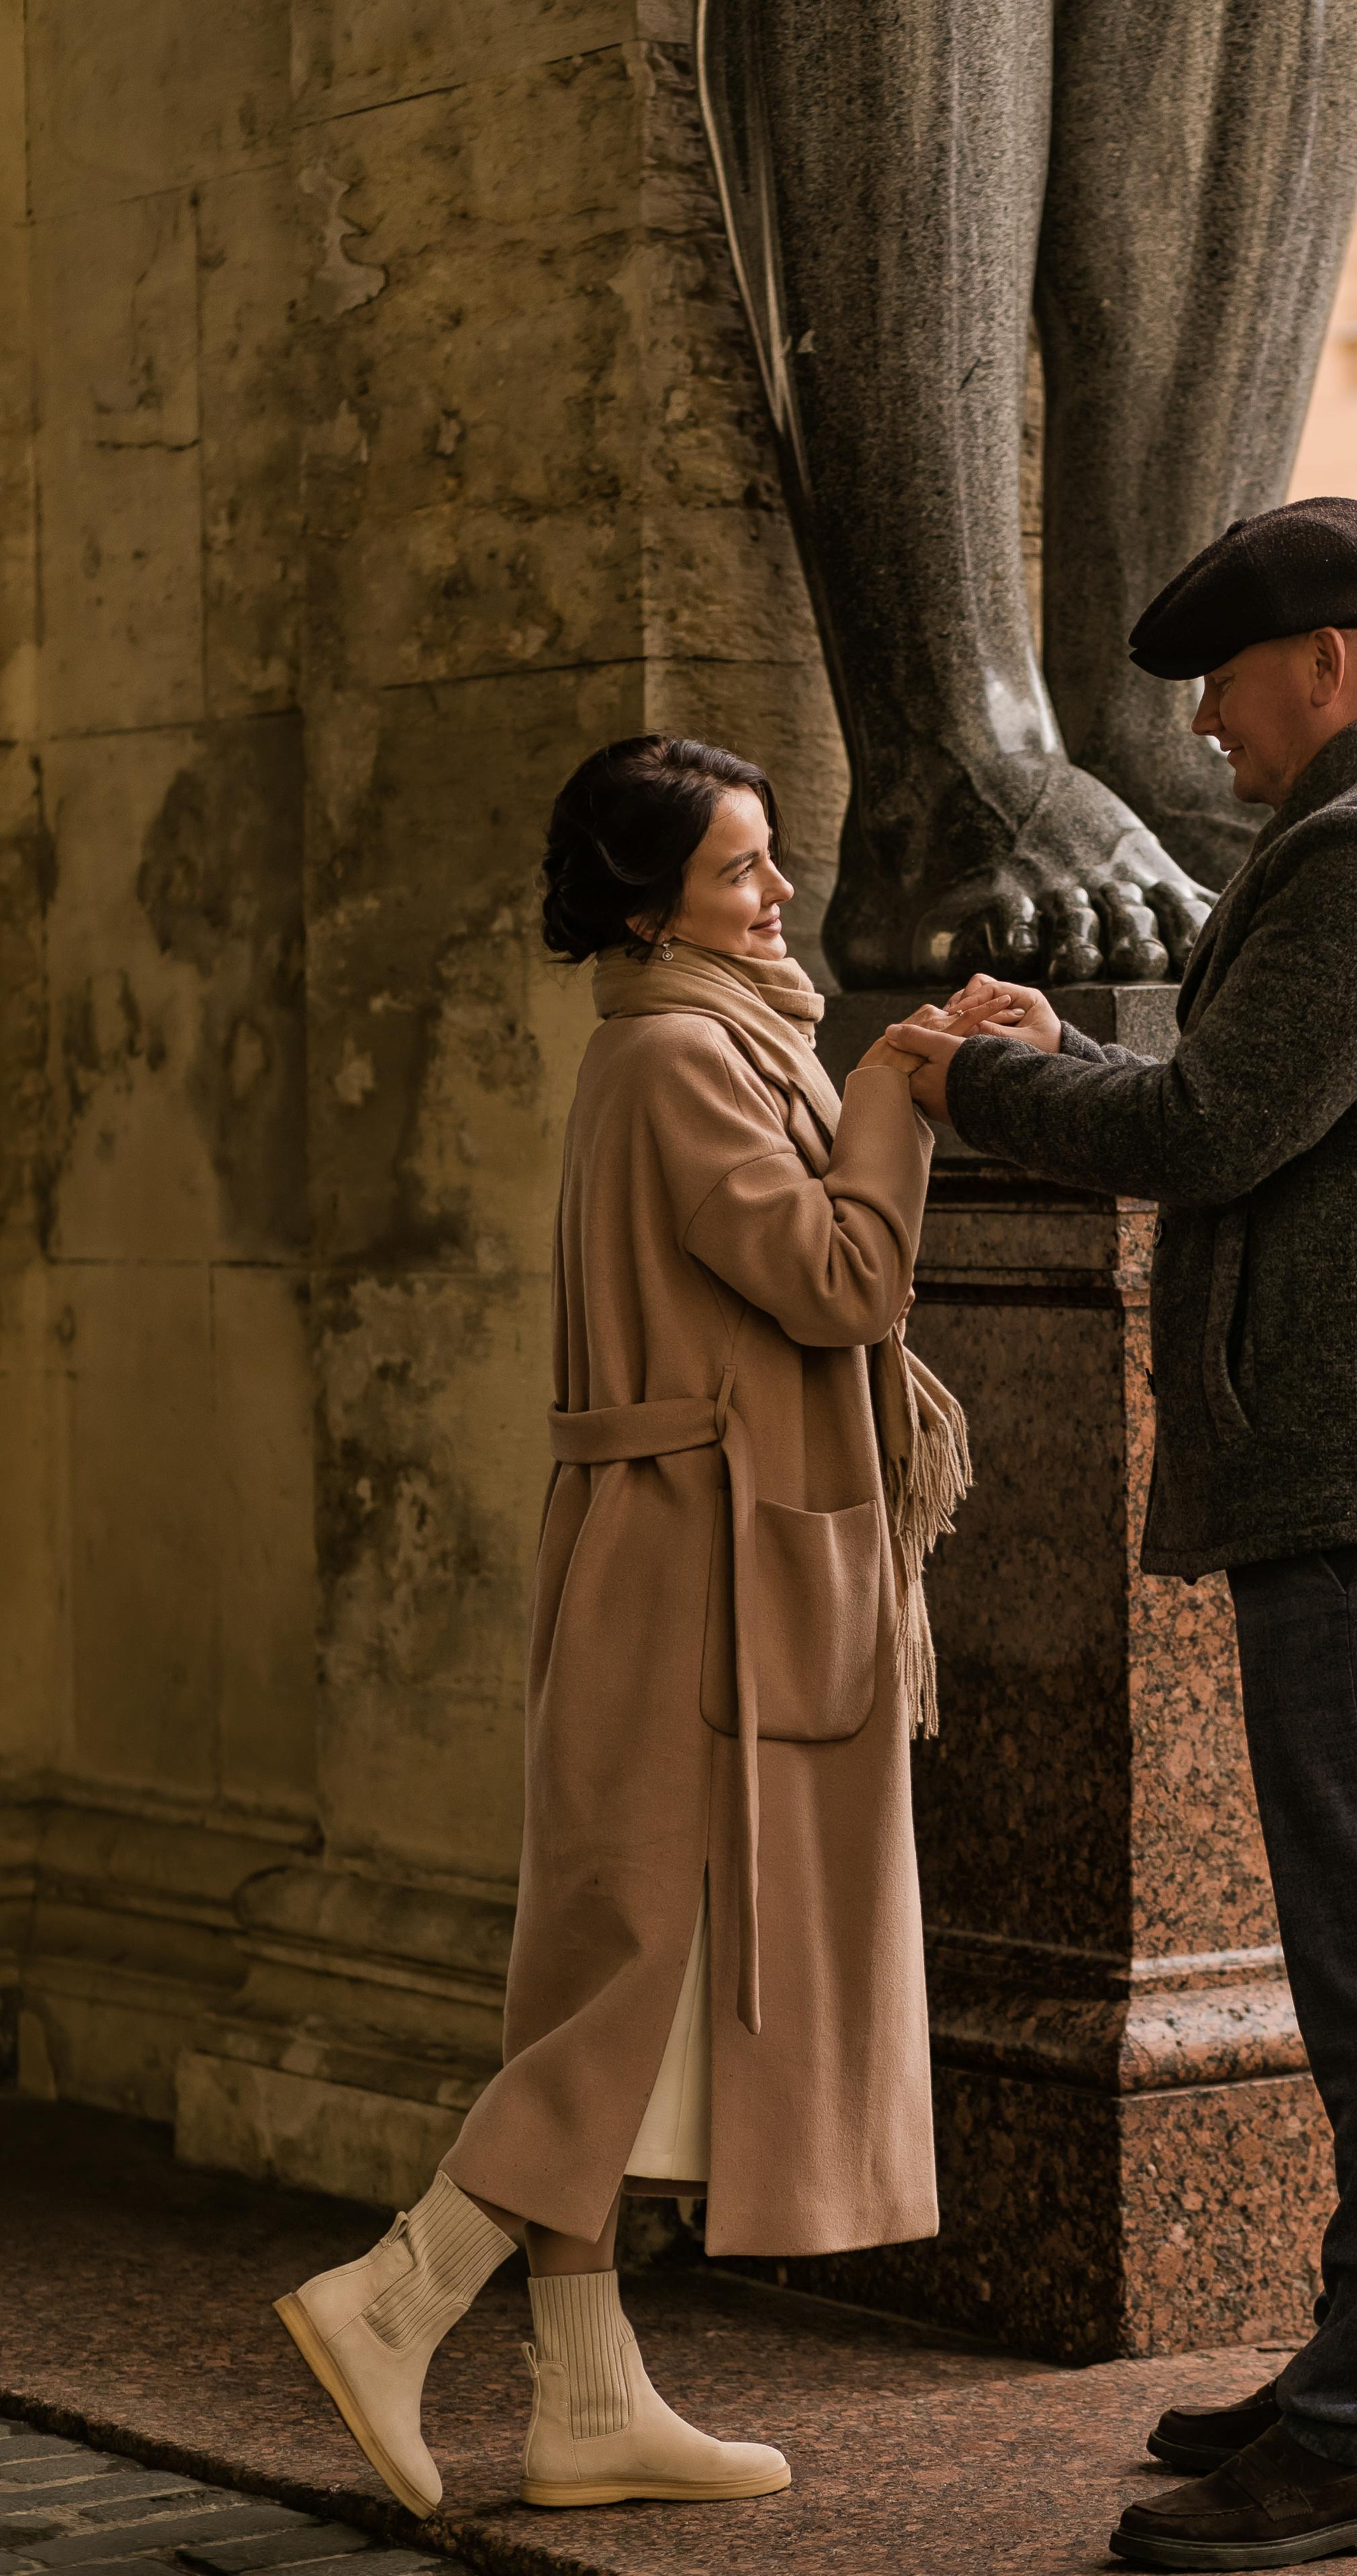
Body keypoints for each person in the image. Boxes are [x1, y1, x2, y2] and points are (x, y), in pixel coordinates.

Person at [885, 499, 1357, 2574]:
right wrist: (1070, 1058)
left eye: (1225, 684)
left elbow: (1212, 1126)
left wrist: (1000, 1077)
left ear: (1330, 667)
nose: (1201, 729)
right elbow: (1252, 1110)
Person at [273, 735, 969, 2518]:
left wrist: (870, 1068)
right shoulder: (681, 1059)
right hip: (689, 1563)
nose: (776, 892)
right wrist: (897, 1082)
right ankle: (395, 2294)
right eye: (740, 871)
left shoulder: (705, 1041)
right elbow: (842, 1277)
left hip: (697, 1545)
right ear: (652, 900)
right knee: (629, 1965)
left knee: (620, 1957)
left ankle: (584, 2403)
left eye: (767, 860)